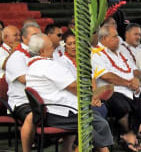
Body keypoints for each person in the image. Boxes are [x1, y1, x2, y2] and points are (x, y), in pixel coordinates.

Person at [26, 34, 113, 152]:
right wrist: (92, 98)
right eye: (51, 45)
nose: (54, 47)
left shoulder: (34, 66)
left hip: (52, 112)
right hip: (59, 114)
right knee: (98, 124)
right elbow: (74, 86)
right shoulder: (48, 65)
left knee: (95, 120)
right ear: (42, 50)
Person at [92, 25, 141, 151]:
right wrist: (127, 83)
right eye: (115, 36)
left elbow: (135, 70)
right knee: (123, 106)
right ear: (104, 38)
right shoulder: (96, 54)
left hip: (133, 89)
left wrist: (136, 80)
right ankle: (132, 136)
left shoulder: (120, 52)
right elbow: (106, 76)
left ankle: (130, 135)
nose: (118, 39)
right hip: (112, 91)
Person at [5, 22, 41, 152]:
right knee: (32, 114)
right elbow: (23, 79)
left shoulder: (42, 53)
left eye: (40, 35)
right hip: (22, 101)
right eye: (35, 35)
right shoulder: (17, 56)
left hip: (45, 99)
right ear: (24, 38)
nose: (39, 38)